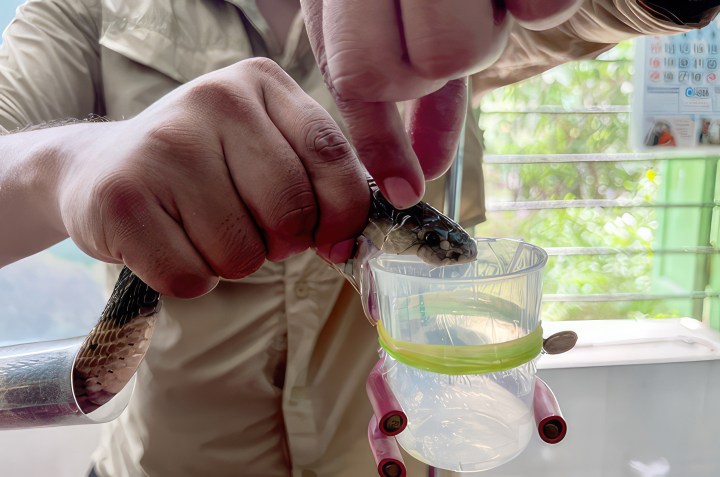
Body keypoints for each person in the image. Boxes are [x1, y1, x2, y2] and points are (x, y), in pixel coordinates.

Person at [0, 1, 717, 476]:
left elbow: (624, 10)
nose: (448, 254)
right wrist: (63, 163)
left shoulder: (430, 20)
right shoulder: (84, 11)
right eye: (436, 244)